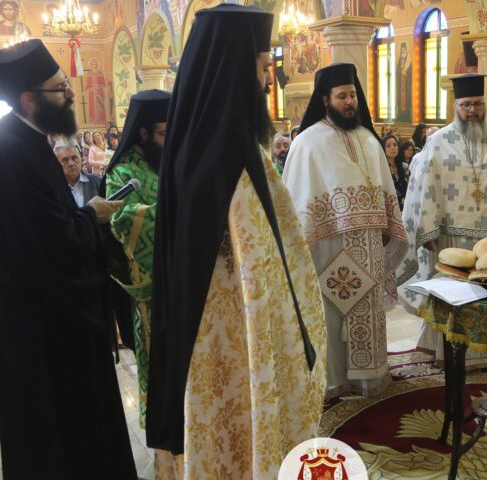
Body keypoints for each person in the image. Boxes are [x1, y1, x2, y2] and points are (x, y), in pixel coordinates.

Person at [148, 6, 326, 478]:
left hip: (222, 324)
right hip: (231, 326)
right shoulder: (227, 152)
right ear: (235, 68)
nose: (268, 80)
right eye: (264, 68)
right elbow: (255, 255)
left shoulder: (200, 139)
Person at [0, 39, 135, 479]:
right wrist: (91, 216)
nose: (69, 94)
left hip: (46, 315)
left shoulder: (24, 142)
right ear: (29, 98)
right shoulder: (10, 151)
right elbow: (47, 242)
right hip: (42, 325)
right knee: (56, 429)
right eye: (60, 87)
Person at [397, 74, 487, 368]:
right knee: (452, 297)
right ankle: (449, 352)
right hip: (451, 238)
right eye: (466, 105)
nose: (472, 110)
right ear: (456, 106)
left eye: (478, 104)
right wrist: (427, 229)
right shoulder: (438, 142)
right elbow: (424, 186)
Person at [283, 62, 408, 399]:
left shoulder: (369, 140)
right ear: (325, 99)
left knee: (368, 311)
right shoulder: (307, 143)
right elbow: (297, 201)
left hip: (369, 246)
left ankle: (372, 376)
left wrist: (388, 227)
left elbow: (385, 192)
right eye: (342, 96)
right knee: (332, 316)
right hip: (328, 249)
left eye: (352, 95)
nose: (350, 102)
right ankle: (333, 380)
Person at [101, 89, 169, 428]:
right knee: (159, 358)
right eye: (163, 133)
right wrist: (178, 214)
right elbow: (123, 221)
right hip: (151, 285)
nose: (170, 139)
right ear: (143, 132)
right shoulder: (123, 171)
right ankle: (162, 423)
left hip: (187, 279)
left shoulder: (172, 159)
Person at [382, 133, 408, 208]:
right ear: (383, 149)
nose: (393, 148)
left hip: (404, 205)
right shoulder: (381, 168)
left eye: (395, 145)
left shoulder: (404, 166)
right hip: (388, 206)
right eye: (388, 146)